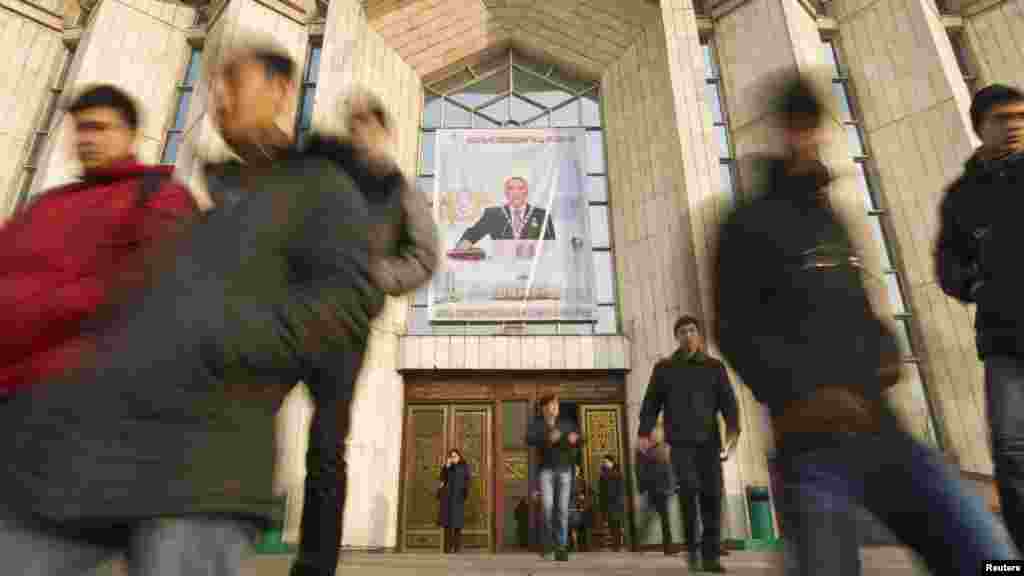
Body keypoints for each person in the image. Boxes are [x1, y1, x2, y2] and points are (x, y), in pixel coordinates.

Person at [0, 36, 382, 576]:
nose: (218, 100)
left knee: (324, 450)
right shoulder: (214, 199)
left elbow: (345, 305)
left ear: (279, 90)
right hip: (114, 455)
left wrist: (214, 345)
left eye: (233, 83)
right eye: (211, 86)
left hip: (210, 470)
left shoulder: (321, 187)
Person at [713, 72, 1018, 576]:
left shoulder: (832, 217)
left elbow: (860, 308)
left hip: (880, 429)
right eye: (797, 125)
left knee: (991, 560)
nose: (807, 138)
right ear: (781, 131)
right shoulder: (745, 225)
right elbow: (735, 328)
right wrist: (798, 395)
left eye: (814, 126)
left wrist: (883, 353)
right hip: (808, 443)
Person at [293, 88, 438, 575]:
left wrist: (375, 275)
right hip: (289, 311)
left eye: (367, 127)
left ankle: (315, 566)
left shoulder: (402, 192)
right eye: (351, 126)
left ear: (385, 133)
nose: (358, 135)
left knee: (327, 448)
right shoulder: (325, 171)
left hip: (345, 326)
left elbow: (423, 258)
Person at [0, 84, 197, 399]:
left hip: (67, 398)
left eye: (100, 128)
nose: (87, 139)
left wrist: (42, 307)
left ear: (131, 134)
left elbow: (151, 288)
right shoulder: (44, 204)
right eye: (80, 129)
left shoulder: (160, 197)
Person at [935, 83, 1024, 552]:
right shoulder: (963, 196)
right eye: (1001, 119)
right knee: (1011, 453)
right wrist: (976, 285)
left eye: (1020, 117)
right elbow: (946, 265)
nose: (1013, 127)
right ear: (979, 127)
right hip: (1005, 342)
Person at [637, 315, 740, 573]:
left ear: (699, 335)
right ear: (677, 337)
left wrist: (733, 428)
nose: (687, 335)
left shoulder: (714, 367)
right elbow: (651, 403)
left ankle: (710, 555)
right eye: (682, 331)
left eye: (692, 330)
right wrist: (644, 432)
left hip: (709, 443)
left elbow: (728, 401)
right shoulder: (665, 368)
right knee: (689, 491)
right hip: (680, 443)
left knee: (712, 496)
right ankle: (692, 549)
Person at [526, 394, 582, 561]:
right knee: (547, 509)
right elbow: (528, 438)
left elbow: (581, 438)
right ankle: (548, 546)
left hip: (565, 470)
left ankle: (561, 548)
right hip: (546, 472)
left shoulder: (566, 423)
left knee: (562, 510)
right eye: (552, 405)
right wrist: (547, 438)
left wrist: (575, 438)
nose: (555, 407)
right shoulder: (537, 424)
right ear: (544, 408)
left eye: (557, 404)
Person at [455, 176, 555, 248]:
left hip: (532, 267)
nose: (516, 192)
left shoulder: (541, 215)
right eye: (511, 188)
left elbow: (551, 246)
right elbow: (473, 233)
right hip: (502, 266)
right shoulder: (493, 214)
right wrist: (462, 247)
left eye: (520, 188)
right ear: (506, 193)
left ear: (526, 192)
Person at [636, 429, 680, 557]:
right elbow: (643, 471)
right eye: (654, 435)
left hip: (661, 489)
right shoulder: (650, 452)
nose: (656, 437)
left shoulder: (660, 450)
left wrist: (673, 485)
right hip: (654, 489)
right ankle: (642, 544)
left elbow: (669, 470)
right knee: (650, 518)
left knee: (660, 519)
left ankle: (667, 546)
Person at [438, 449, 471, 553]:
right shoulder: (448, 467)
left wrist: (464, 495)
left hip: (458, 499)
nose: (453, 458)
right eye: (451, 456)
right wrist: (446, 467)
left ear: (459, 457)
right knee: (447, 525)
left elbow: (466, 481)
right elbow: (442, 478)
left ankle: (457, 547)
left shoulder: (464, 467)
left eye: (455, 456)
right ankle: (447, 548)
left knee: (457, 525)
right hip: (448, 499)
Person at [598, 454, 624, 551]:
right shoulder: (603, 474)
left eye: (606, 462)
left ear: (611, 462)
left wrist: (619, 500)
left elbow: (620, 489)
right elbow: (601, 490)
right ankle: (615, 545)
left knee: (616, 524)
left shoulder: (617, 473)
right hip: (607, 503)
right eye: (604, 462)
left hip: (616, 502)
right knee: (611, 524)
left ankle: (617, 545)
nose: (605, 463)